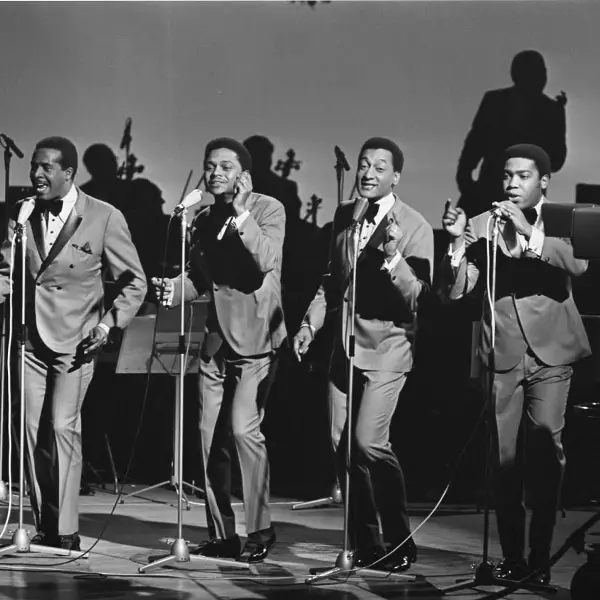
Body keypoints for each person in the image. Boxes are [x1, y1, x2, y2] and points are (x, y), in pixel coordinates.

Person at [440, 144, 591, 584]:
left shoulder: (562, 219)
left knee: (545, 455)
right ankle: (512, 558)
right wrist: (456, 242)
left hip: (551, 353)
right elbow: (457, 290)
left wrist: (529, 232)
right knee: (503, 462)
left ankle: (540, 559)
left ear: (543, 180)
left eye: (522, 176)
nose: (511, 183)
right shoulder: (482, 223)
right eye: (507, 175)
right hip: (502, 353)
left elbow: (578, 264)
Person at [293, 137, 434, 572]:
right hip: (344, 350)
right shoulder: (345, 216)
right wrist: (310, 324)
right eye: (363, 165)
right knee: (342, 448)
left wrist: (393, 257)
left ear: (396, 176)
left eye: (379, 167)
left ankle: (399, 539)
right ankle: (367, 544)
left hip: (388, 348)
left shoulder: (414, 225)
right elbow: (331, 282)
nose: (368, 173)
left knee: (369, 443)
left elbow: (418, 297)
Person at [0, 136, 147, 551]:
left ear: (68, 172)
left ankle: (66, 531)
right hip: (29, 339)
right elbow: (7, 271)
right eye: (34, 165)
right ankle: (45, 523)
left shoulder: (103, 216)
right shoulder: (23, 213)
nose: (36, 174)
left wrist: (107, 326)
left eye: (46, 167)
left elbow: (134, 282)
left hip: (77, 342)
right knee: (30, 431)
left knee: (63, 427)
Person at [152, 137, 286, 563]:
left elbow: (265, 261)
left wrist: (242, 212)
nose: (214, 174)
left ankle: (260, 528)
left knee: (244, 431)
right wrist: (173, 290)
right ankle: (222, 534)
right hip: (215, 341)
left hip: (256, 338)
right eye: (210, 166)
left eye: (225, 167)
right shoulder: (204, 218)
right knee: (209, 438)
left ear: (244, 175)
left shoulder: (268, 209)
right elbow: (200, 278)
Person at [456, 50, 567, 217]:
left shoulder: (550, 110)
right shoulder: (496, 102)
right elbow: (475, 143)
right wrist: (465, 180)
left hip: (518, 202)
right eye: (536, 72)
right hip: (491, 195)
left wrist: (557, 122)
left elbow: (556, 161)